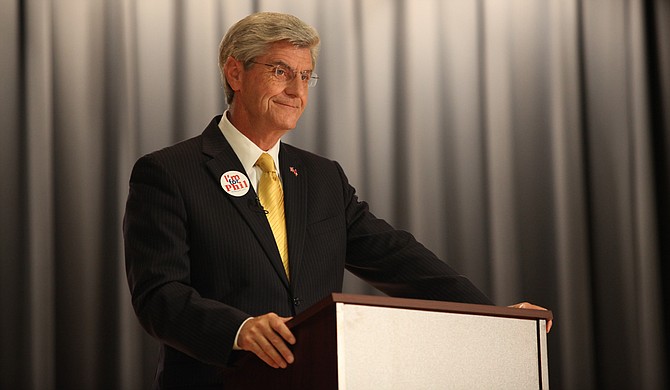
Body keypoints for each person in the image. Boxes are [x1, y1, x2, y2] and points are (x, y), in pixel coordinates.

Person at [123, 11, 551, 389]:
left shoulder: (321, 177)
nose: (296, 89)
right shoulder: (169, 172)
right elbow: (158, 295)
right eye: (279, 71)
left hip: (318, 379)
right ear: (235, 73)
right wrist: (240, 329)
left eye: (305, 75)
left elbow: (397, 257)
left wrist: (496, 319)